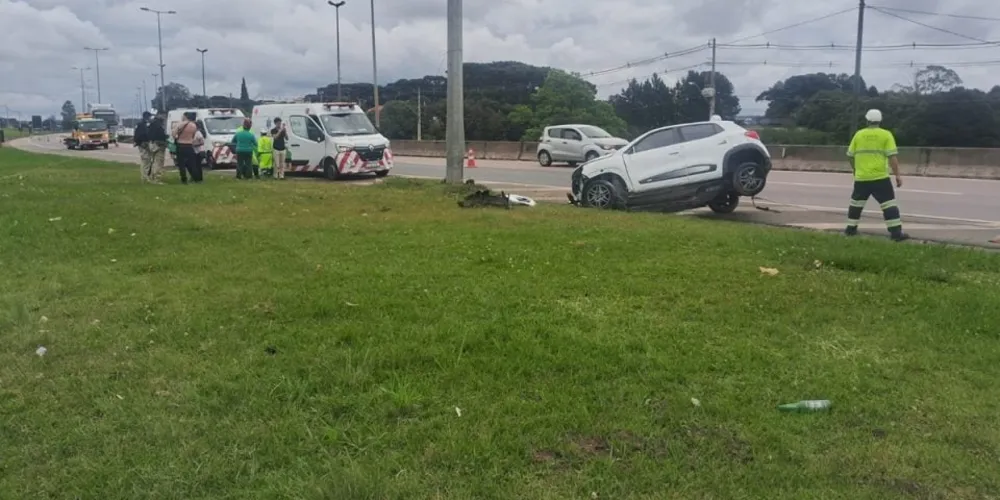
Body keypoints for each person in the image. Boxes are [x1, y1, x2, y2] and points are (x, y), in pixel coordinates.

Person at [845, 109, 909, 241]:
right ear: (880, 121)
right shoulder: (886, 135)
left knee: (856, 204)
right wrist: (897, 175)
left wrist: (855, 170)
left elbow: (850, 156)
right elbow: (892, 158)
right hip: (880, 178)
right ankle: (896, 234)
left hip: (861, 178)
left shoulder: (859, 135)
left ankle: (850, 230)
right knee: (889, 205)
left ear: (867, 120)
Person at [172, 111, 202, 184]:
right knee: (192, 163)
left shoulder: (180, 124)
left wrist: (177, 137)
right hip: (189, 145)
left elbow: (174, 134)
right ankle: (196, 178)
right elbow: (193, 136)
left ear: (185, 117)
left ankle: (184, 179)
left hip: (180, 145)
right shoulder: (193, 125)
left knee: (181, 164)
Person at [133, 111, 157, 183]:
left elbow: (136, 135)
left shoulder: (140, 124)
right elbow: (141, 135)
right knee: (146, 161)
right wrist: (141, 143)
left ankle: (145, 176)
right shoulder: (143, 125)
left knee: (146, 161)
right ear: (147, 117)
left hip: (142, 144)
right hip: (143, 144)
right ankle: (145, 177)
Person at [146, 110, 169, 183]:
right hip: (158, 145)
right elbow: (160, 136)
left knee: (154, 162)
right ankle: (157, 178)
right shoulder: (158, 125)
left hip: (152, 144)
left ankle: (152, 177)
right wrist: (165, 138)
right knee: (158, 162)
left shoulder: (152, 124)